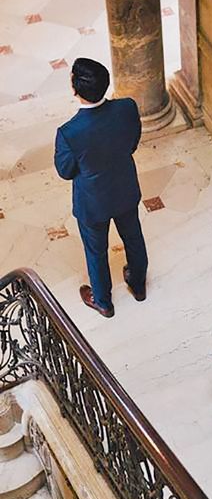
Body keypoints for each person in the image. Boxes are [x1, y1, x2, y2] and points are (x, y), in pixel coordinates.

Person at [54, 58, 148, 318]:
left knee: (96, 250)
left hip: (92, 202)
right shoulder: (127, 107)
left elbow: (65, 171)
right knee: (133, 236)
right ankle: (138, 284)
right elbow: (132, 141)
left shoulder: (69, 132)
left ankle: (103, 301)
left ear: (75, 89)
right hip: (125, 188)